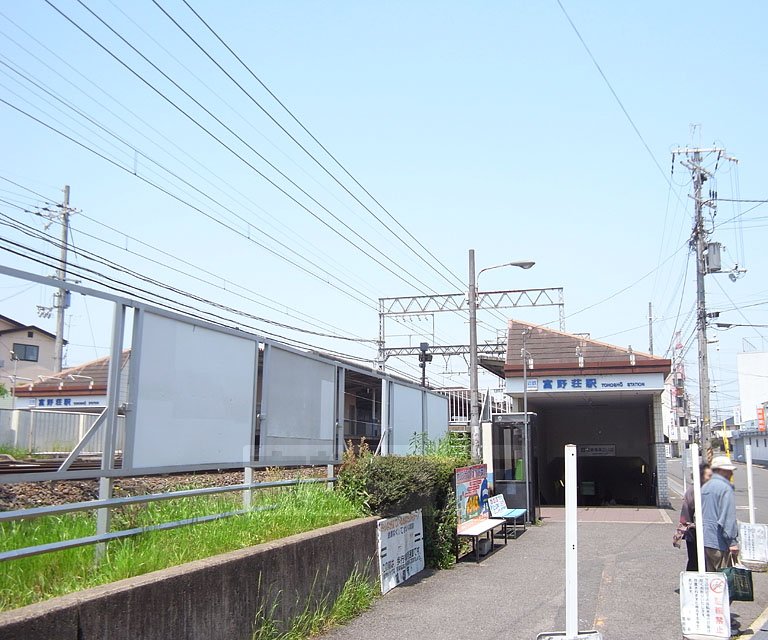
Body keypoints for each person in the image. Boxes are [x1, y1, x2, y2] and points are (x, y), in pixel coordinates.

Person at [700, 455, 738, 571]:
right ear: (721, 471)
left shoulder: (705, 487)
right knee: (723, 577)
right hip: (720, 542)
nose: (731, 473)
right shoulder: (725, 488)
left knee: (711, 577)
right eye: (728, 470)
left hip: (706, 539)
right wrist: (732, 542)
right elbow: (728, 518)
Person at [673, 463, 712, 571]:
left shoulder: (704, 489)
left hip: (701, 530)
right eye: (709, 476)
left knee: (696, 561)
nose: (711, 478)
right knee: (696, 560)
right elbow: (686, 513)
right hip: (695, 531)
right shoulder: (695, 490)